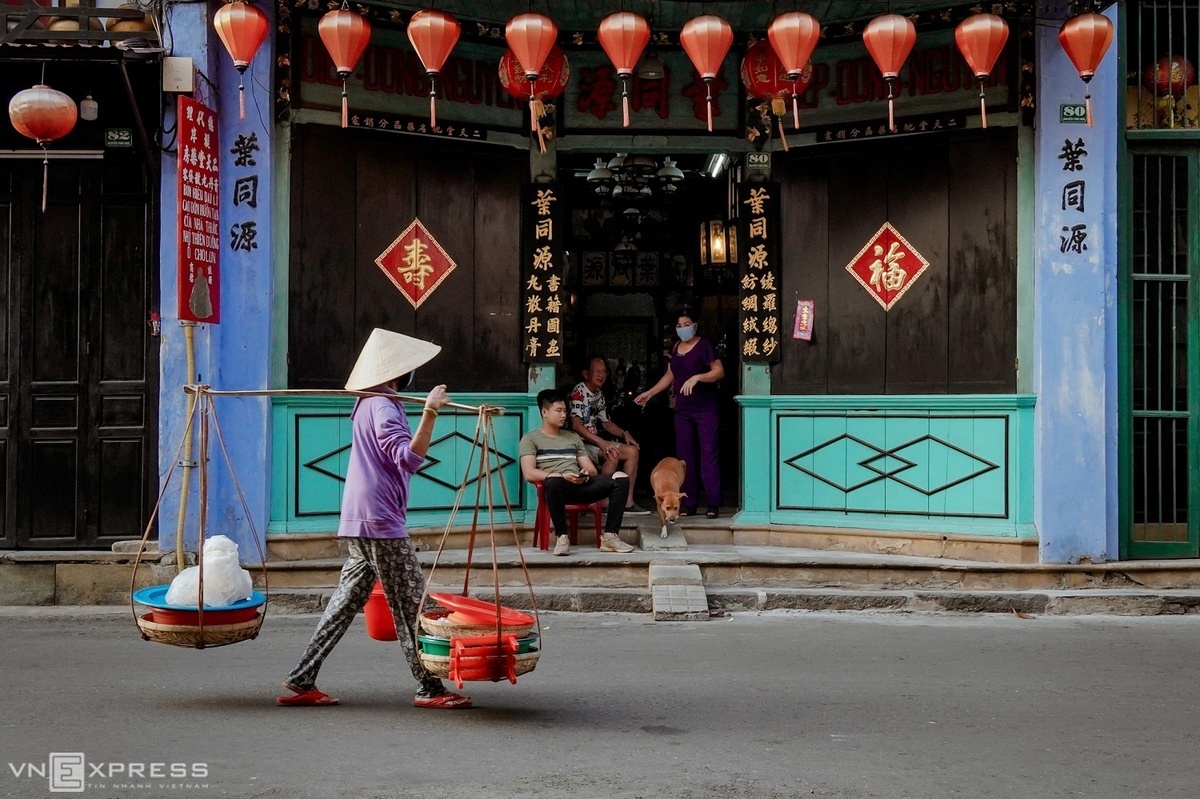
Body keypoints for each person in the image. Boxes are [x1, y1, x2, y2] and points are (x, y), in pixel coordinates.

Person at [278, 328, 472, 710]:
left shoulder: (371, 402)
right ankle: (429, 687)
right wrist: (431, 411)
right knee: (411, 603)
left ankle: (301, 678)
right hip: (379, 519)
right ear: (398, 372)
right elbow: (408, 458)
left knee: (347, 600)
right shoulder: (383, 406)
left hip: (361, 517)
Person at [519, 389, 637, 556]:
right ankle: (562, 537)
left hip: (581, 485)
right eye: (558, 411)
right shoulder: (531, 439)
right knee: (552, 481)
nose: (563, 415)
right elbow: (529, 473)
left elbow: (591, 469)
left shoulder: (572, 438)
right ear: (544, 412)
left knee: (621, 479)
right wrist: (560, 476)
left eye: (565, 411)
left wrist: (585, 473)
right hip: (557, 489)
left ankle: (610, 536)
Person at [634, 312, 725, 518]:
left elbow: (718, 371)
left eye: (686, 324)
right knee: (684, 460)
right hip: (683, 411)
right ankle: (688, 503)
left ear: (694, 325)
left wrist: (698, 377)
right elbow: (670, 375)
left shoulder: (704, 346)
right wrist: (650, 393)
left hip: (705, 409)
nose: (683, 327)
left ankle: (713, 503)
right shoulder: (676, 347)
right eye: (679, 325)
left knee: (708, 456)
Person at [568, 355, 650, 516]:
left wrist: (624, 433)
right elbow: (576, 425)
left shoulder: (598, 393)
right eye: (597, 371)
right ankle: (603, 503)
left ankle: (627, 502)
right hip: (580, 443)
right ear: (586, 374)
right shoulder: (579, 391)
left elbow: (605, 422)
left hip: (595, 442)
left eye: (604, 371)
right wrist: (602, 443)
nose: (601, 375)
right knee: (611, 452)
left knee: (632, 451)